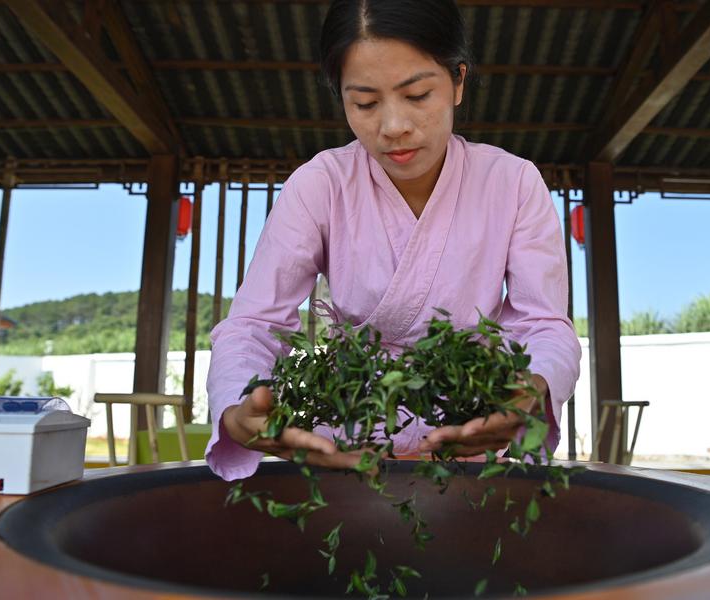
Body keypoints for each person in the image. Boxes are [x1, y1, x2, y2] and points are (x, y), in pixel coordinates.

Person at [206, 0, 581, 482]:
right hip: (345, 444)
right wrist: (240, 403)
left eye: (419, 95)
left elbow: (545, 325)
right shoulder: (321, 184)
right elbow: (254, 322)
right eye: (364, 103)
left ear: (459, 82)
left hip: (470, 438)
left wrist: (530, 388)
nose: (393, 126)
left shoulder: (513, 183)